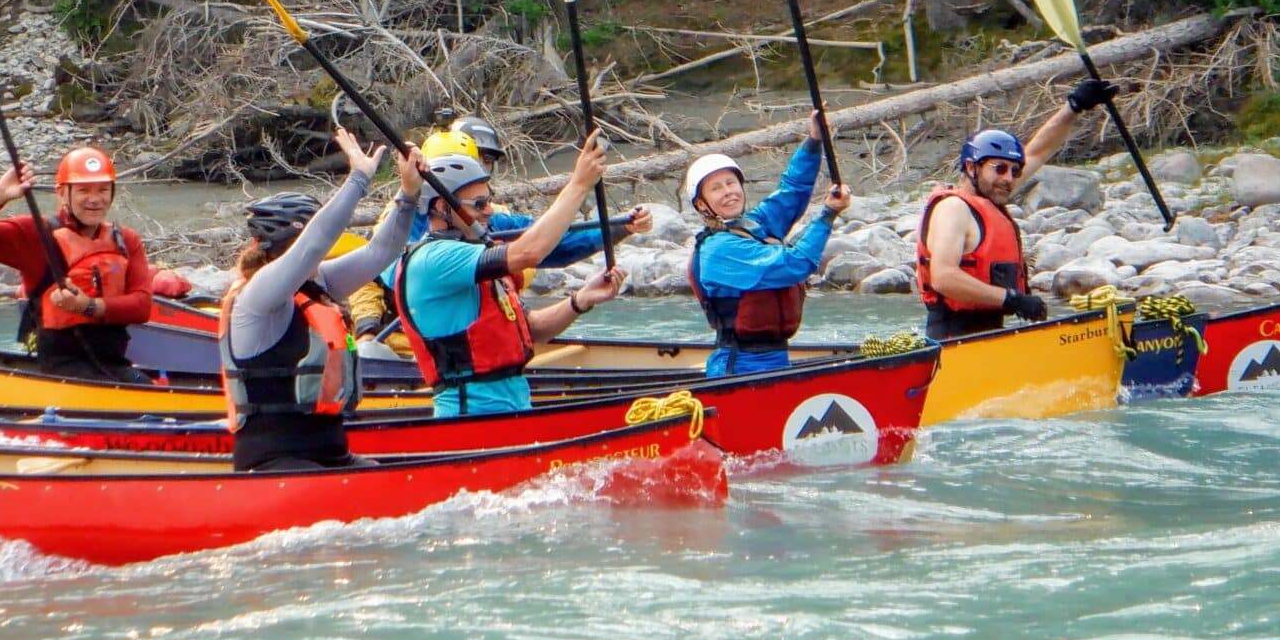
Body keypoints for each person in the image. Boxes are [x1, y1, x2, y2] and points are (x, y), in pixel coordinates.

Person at [219, 128, 424, 472]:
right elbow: (313, 245)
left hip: (332, 456)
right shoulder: (258, 296)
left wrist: (408, 194)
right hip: (276, 463)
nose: (320, 254)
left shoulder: (318, 283)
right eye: (298, 247)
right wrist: (358, 179)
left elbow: (382, 251)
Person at [392, 132, 628, 417]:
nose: (489, 210)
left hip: (515, 407)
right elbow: (529, 253)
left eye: (489, 201)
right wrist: (579, 184)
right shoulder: (434, 258)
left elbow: (531, 329)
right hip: (471, 418)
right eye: (479, 204)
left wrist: (580, 300)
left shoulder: (475, 256)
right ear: (442, 208)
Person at [914, 76, 1120, 340]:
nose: (1009, 178)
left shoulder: (992, 192)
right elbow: (943, 277)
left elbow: (1037, 152)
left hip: (989, 335)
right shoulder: (953, 208)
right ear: (971, 167)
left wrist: (1074, 106)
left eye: (1015, 171)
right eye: (999, 168)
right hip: (952, 340)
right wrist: (1011, 299)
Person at [684, 111, 851, 376]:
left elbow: (792, 191)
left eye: (731, 183)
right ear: (702, 205)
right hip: (738, 366)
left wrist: (813, 141)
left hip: (776, 359)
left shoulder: (755, 225)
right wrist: (827, 215)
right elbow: (796, 264)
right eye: (716, 188)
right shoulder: (718, 250)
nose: (728, 192)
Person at [0, 145, 154, 381]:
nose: (95, 199)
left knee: (146, 387)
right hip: (60, 370)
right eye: (83, 190)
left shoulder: (125, 240)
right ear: (62, 193)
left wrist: (88, 306)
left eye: (103, 190)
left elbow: (142, 306)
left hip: (113, 364)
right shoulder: (35, 234)